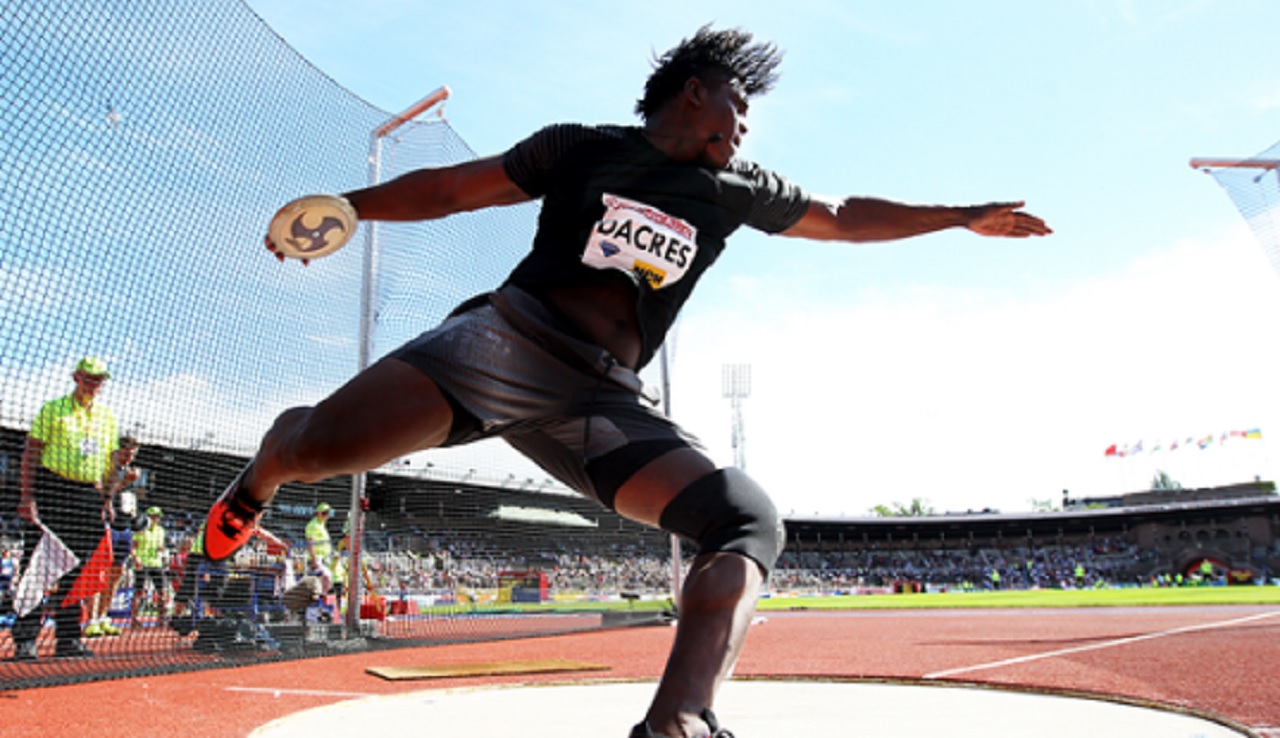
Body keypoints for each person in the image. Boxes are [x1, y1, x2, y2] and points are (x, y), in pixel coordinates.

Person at [203, 26, 1050, 737]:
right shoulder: (582, 149)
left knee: (746, 521)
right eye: (739, 105)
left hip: (599, 399)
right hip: (499, 345)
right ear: (694, 91)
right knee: (317, 451)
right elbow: (456, 188)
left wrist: (957, 216)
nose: (745, 127)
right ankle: (262, 474)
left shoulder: (732, 189)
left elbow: (841, 216)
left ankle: (678, 721)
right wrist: (347, 207)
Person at [10, 357, 124, 660]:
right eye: (88, 378)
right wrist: (27, 497)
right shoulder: (53, 409)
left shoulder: (108, 417)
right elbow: (31, 452)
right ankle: (25, 640)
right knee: (37, 566)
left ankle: (68, 639)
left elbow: (113, 462)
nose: (93, 384)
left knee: (80, 569)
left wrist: (107, 499)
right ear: (76, 377)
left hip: (88, 495)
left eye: (99, 380)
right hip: (52, 490)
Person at [130, 506, 171, 628]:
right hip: (142, 563)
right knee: (139, 591)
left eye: (158, 516)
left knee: (162, 592)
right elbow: (133, 546)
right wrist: (136, 560)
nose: (156, 518)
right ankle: (134, 619)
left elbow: (161, 546)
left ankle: (161, 618)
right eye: (154, 516)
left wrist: (163, 553)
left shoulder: (161, 530)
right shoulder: (141, 528)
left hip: (156, 564)